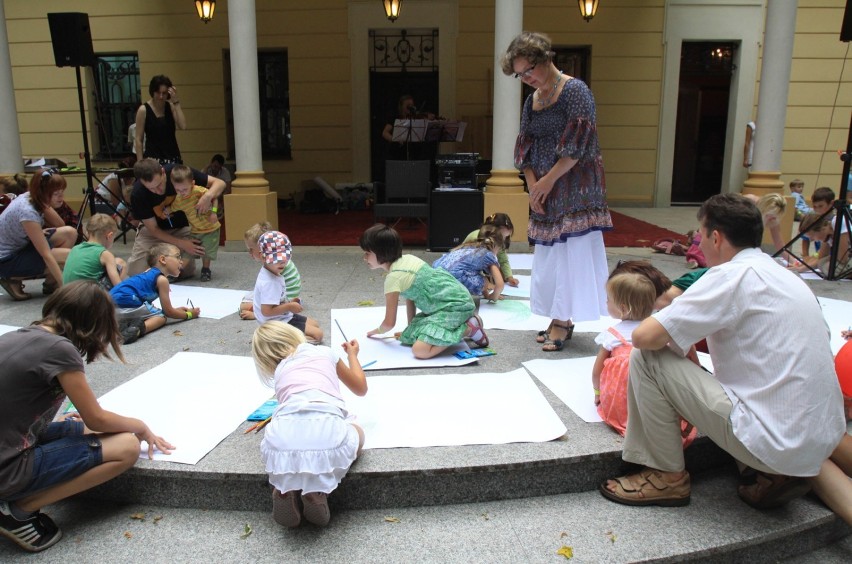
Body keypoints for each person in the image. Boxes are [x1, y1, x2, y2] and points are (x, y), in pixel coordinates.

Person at [600, 193, 847, 510]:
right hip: (821, 438)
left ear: (715, 237)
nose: (699, 244)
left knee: (647, 357)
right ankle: (765, 473)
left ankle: (666, 476)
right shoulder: (785, 275)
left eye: (700, 235)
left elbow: (646, 336)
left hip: (776, 441)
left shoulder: (729, 275)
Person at [0, 282, 173, 553]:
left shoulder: (18, 335)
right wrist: (139, 426)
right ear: (96, 322)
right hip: (8, 468)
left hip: (9, 444)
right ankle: (19, 510)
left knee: (78, 428)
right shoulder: (59, 350)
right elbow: (97, 420)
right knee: (126, 447)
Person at [502, 31, 612, 353]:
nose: (526, 79)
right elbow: (525, 144)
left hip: (574, 185)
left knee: (569, 253)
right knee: (550, 254)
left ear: (546, 59)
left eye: (529, 71)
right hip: (545, 185)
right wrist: (533, 185)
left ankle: (564, 320)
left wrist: (547, 182)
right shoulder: (532, 100)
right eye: (520, 75)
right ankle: (557, 315)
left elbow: (579, 146)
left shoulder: (575, 90)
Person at [251, 321, 367, 528]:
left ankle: (285, 489)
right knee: (357, 433)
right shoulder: (325, 352)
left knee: (293, 442)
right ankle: (316, 492)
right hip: (327, 429)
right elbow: (360, 388)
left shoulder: (280, 371)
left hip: (281, 438)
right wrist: (352, 355)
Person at [592, 272, 697, 446]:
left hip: (624, 404)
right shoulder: (662, 329)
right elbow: (689, 353)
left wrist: (598, 393)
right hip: (660, 398)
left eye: (608, 300)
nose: (606, 303)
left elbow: (597, 371)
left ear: (624, 308)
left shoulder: (612, 335)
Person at [360, 223, 486, 359]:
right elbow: (411, 296)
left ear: (381, 252)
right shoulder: (407, 259)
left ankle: (468, 328)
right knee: (409, 337)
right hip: (455, 300)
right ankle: (470, 320)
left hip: (453, 307)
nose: (365, 257)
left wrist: (376, 332)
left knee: (420, 351)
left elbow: (389, 323)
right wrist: (410, 328)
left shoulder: (393, 278)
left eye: (367, 253)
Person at [126, 158, 225, 277]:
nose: (157, 191)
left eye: (159, 185)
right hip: (154, 232)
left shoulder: (176, 172)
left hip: (181, 228)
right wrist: (182, 244)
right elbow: (153, 230)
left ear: (163, 172)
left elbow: (220, 183)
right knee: (137, 272)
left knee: (183, 271)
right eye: (151, 188)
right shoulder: (138, 194)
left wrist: (208, 196)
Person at [0, 169, 77, 301]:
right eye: (56, 194)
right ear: (44, 193)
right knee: (69, 255)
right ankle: (11, 278)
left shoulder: (32, 197)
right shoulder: (28, 211)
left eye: (62, 192)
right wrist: (66, 288)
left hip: (18, 247)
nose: (61, 198)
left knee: (70, 233)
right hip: (6, 260)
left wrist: (46, 206)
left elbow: (60, 223)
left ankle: (50, 284)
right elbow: (46, 254)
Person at [109, 243, 201, 345]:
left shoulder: (148, 273)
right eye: (177, 256)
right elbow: (168, 312)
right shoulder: (162, 280)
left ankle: (121, 324)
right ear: (163, 259)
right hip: (129, 300)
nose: (181, 261)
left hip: (110, 303)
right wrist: (189, 314)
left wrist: (177, 310)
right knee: (161, 317)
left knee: (151, 310)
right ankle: (137, 329)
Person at [252, 231, 323, 343]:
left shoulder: (271, 272)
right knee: (318, 335)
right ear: (262, 256)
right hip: (274, 322)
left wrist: (289, 303)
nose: (282, 263)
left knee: (315, 324)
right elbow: (266, 311)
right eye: (277, 260)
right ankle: (279, 339)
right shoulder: (269, 282)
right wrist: (289, 306)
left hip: (282, 316)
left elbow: (275, 300)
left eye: (285, 259)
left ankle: (284, 336)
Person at [239, 221, 302, 321]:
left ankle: (258, 314)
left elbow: (271, 287)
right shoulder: (274, 261)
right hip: (284, 292)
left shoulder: (275, 263)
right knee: (248, 297)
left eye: (251, 249)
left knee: (243, 306)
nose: (250, 253)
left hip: (286, 296)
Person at [168, 164, 221, 282]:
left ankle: (206, 269)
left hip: (210, 229)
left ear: (192, 183)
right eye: (178, 190)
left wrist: (214, 213)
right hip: (195, 230)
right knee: (189, 251)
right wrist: (166, 211)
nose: (182, 192)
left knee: (206, 252)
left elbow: (215, 198)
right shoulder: (178, 199)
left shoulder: (200, 192)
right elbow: (172, 208)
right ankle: (178, 270)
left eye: (185, 189)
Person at [433, 229, 506, 303]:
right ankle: (456, 296)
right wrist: (494, 296)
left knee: (478, 275)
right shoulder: (488, 255)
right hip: (453, 276)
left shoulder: (469, 245)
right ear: (496, 246)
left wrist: (486, 294)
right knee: (485, 281)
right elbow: (500, 284)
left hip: (436, 272)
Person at [62, 214, 128, 290]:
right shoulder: (105, 254)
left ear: (87, 233)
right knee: (120, 263)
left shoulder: (75, 248)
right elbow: (117, 284)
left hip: (67, 294)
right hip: (88, 297)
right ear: (109, 236)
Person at [134, 75, 185, 164]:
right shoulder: (143, 110)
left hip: (173, 157)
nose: (161, 96)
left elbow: (183, 126)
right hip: (152, 160)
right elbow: (138, 139)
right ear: (153, 92)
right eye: (158, 92)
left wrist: (176, 102)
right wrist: (140, 162)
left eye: (164, 93)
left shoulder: (171, 107)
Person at [463, 213, 519, 287]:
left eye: (506, 237)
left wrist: (509, 277)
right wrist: (486, 284)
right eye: (502, 236)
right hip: (466, 268)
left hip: (476, 265)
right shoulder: (478, 239)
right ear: (491, 230)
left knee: (499, 275)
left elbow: (503, 260)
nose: (503, 240)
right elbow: (475, 265)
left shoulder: (498, 241)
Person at [802, 186, 836, 257]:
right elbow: (805, 239)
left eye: (820, 206)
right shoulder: (813, 218)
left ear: (831, 203)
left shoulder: (835, 221)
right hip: (819, 255)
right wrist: (805, 256)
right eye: (814, 206)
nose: (817, 210)